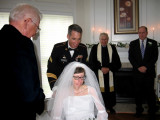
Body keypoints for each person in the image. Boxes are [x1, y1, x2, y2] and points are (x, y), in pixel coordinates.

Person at [0, 3, 45, 120]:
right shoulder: (23, 44)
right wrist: (40, 100)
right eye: (37, 26)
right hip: (18, 112)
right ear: (28, 21)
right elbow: (28, 88)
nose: (36, 32)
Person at [37, 61, 108, 120]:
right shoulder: (62, 92)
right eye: (76, 77)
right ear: (70, 77)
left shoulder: (91, 90)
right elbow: (57, 117)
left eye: (82, 77)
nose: (79, 81)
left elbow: (102, 112)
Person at [128, 26, 159, 120]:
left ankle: (152, 111)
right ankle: (139, 110)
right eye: (140, 32)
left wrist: (146, 67)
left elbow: (155, 57)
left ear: (147, 33)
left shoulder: (153, 43)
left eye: (143, 32)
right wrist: (138, 67)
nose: (141, 34)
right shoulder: (133, 43)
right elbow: (131, 57)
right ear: (138, 33)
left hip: (148, 73)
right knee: (138, 93)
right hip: (137, 73)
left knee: (150, 93)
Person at [47, 24, 88, 89]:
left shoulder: (83, 48)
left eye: (79, 39)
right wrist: (54, 87)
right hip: (60, 86)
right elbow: (51, 70)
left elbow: (86, 69)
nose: (77, 42)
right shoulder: (58, 48)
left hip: (78, 86)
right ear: (68, 36)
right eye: (74, 39)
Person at [89, 32, 121, 114]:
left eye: (105, 39)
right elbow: (92, 61)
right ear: (99, 39)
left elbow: (117, 61)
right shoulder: (95, 48)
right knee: (100, 91)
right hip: (99, 74)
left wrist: (109, 68)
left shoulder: (112, 48)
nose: (104, 41)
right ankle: (101, 107)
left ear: (108, 39)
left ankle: (110, 107)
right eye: (102, 39)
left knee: (110, 92)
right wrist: (101, 68)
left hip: (110, 74)